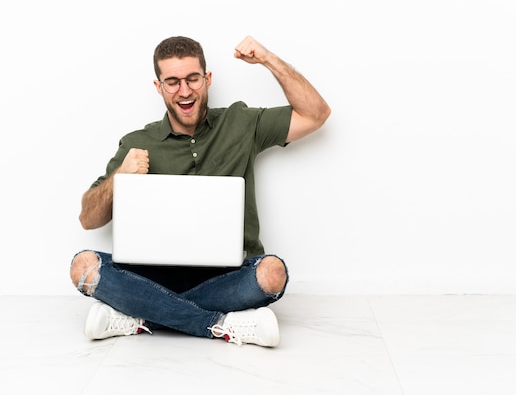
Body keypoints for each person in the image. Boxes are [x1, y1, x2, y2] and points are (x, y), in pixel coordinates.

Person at [69, 35, 331, 347]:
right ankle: (220, 324)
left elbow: (316, 114)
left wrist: (267, 58)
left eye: (193, 78)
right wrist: (120, 177)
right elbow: (89, 219)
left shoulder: (241, 122)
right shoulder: (137, 142)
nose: (184, 90)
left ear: (207, 79)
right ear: (159, 87)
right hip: (153, 277)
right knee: (83, 267)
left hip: (226, 277)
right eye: (172, 82)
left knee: (272, 273)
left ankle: (140, 314)